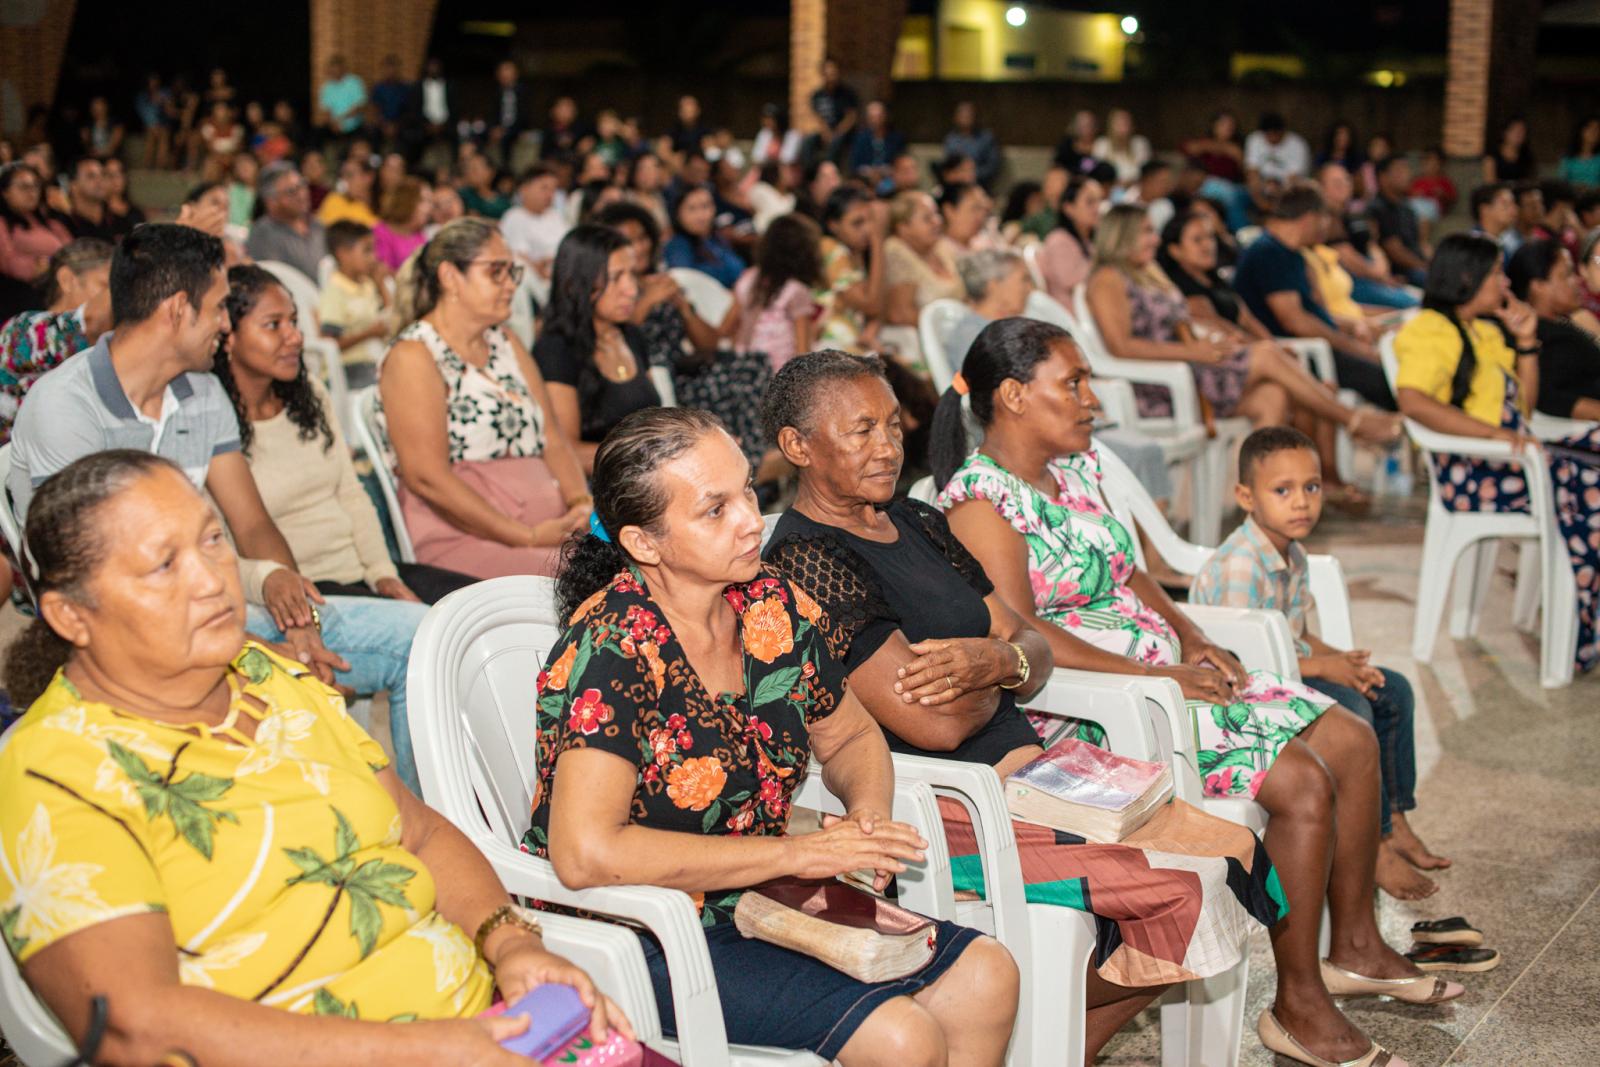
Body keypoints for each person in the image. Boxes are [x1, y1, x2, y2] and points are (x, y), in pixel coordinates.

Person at [926, 319, 1459, 1067]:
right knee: (1303, 781)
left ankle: (1358, 944)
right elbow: (1026, 633)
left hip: (1162, 676)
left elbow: (1133, 571)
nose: (1091, 398)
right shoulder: (979, 503)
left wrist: (1189, 635)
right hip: (1091, 710)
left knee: (1351, 736)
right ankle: (1299, 1002)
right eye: (1072, 382)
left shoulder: (1074, 469)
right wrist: (1158, 678)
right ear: (1013, 396)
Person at [0, 449, 626, 1060]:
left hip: (482, 1026)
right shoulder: (55, 770)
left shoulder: (270, 674)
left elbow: (421, 834)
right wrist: (428, 1049)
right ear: (70, 615)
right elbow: (136, 1028)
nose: (210, 578)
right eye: (163, 565)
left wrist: (511, 944)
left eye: (213, 540)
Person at [761, 351, 1283, 1064]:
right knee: (1181, 889)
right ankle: (1044, 1033)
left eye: (891, 424)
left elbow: (1025, 640)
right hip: (954, 811)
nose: (888, 445)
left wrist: (993, 661)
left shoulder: (916, 519)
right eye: (860, 431)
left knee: (1237, 852)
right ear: (798, 446)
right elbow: (930, 722)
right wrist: (1003, 662)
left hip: (1043, 775)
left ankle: (1052, 1038)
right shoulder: (807, 558)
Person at [526, 406, 1019, 1063]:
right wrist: (796, 855)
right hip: (644, 922)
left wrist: (864, 822)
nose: (752, 520)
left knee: (988, 975)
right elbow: (585, 852)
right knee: (903, 1036)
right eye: (714, 509)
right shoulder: (613, 648)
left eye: (748, 491)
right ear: (645, 543)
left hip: (762, 895)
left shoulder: (767, 605)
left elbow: (849, 738)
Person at [6, 225, 419, 737]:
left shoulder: (201, 394)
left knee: (423, 640)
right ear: (179, 309)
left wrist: (299, 623)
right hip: (122, 636)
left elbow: (251, 522)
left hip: (217, 610)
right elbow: (97, 580)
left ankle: (398, 815)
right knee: (294, 688)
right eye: (220, 307)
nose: (225, 324)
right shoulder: (65, 406)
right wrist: (255, 646)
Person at [1191, 427, 1448, 900]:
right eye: (1282, 491)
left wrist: (1338, 658)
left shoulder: (1292, 551)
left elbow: (1295, 633)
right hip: (1248, 695)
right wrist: (1328, 672)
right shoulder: (1241, 566)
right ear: (1245, 496)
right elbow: (1242, 663)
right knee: (1354, 709)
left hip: (1288, 672)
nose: (1302, 503)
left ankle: (1394, 821)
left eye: (1311, 488)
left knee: (1391, 690)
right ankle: (1372, 846)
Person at [1395, 233, 1600, 673]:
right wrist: (1491, 435)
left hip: (1507, 461)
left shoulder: (1484, 331)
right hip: (1476, 472)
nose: (1505, 284)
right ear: (1467, 278)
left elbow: (1522, 409)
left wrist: (1525, 343)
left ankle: (1581, 623)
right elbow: (1413, 401)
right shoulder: (1430, 329)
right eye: (1496, 275)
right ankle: (1580, 633)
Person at [215, 265, 473, 604]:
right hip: (306, 589)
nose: (294, 336)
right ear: (227, 335)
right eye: (273, 325)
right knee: (435, 632)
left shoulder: (308, 395)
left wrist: (383, 574)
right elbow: (226, 548)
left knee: (479, 601)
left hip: (361, 573)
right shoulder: (214, 426)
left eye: (293, 321)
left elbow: (351, 493)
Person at [377, 218, 590, 578]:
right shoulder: (415, 355)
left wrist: (581, 504)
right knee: (597, 578)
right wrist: (526, 535)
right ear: (450, 276)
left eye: (512, 273)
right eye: (496, 272)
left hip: (547, 531)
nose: (510, 285)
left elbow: (551, 437)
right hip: (464, 536)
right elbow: (427, 478)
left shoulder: (504, 341)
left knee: (643, 558)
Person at [1157, 208, 1399, 445]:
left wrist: (1275, 348)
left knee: (1313, 386)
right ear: (1175, 250)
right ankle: (1353, 421)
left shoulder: (1216, 282)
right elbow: (1224, 332)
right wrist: (1269, 349)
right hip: (1220, 367)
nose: (1207, 245)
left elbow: (1250, 323)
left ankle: (1327, 474)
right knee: (1289, 376)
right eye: (1197, 240)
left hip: (1243, 361)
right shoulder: (1185, 293)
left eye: (1210, 237)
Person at [1233, 186, 1394, 410]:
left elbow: (1314, 313)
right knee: (1393, 381)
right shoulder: (1268, 253)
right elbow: (1296, 322)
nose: (1328, 227)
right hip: (1303, 353)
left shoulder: (1292, 254)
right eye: (1326, 218)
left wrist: (1354, 326)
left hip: (1323, 345)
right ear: (1311, 218)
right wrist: (1354, 348)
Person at [534, 225, 661, 472]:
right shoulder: (556, 350)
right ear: (578, 283)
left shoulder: (631, 335)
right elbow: (566, 450)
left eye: (632, 274)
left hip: (647, 473)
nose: (632, 290)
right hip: (602, 484)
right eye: (616, 278)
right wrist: (654, 456)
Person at [0, 238, 113, 442]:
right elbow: (91, 321)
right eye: (106, 286)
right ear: (67, 279)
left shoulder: (109, 342)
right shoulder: (22, 330)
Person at [1509, 239, 1600, 418]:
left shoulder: (1564, 323)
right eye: (1566, 275)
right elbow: (1548, 397)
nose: (1577, 280)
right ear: (1539, 286)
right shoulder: (1540, 335)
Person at [1316, 163, 1417, 310]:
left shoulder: (1356, 215)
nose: (1343, 186)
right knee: (1410, 304)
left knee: (1413, 297)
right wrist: (1379, 276)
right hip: (1350, 279)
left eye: (1346, 180)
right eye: (1336, 183)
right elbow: (1346, 257)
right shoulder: (1325, 220)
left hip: (1374, 274)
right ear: (1322, 188)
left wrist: (1383, 274)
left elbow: (1372, 245)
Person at [731, 213, 821, 372]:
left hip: (744, 372)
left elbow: (730, 327)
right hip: (779, 378)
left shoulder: (748, 280)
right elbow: (802, 354)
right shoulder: (796, 291)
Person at [317, 221, 392, 389]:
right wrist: (368, 334)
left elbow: (390, 317)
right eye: (367, 251)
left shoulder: (367, 284)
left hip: (371, 361)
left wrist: (381, 285)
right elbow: (330, 343)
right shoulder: (335, 290)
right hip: (347, 367)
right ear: (343, 253)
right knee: (389, 384)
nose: (374, 257)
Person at [815, 184, 885, 352]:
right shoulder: (830, 249)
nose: (867, 230)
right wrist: (877, 244)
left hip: (855, 337)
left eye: (870, 221)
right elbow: (871, 304)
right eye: (857, 223)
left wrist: (870, 332)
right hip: (829, 342)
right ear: (833, 225)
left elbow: (879, 307)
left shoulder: (856, 253)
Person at [883, 190, 961, 326]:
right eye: (927, 218)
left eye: (936, 214)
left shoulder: (941, 246)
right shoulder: (896, 251)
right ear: (903, 227)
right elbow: (900, 314)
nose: (937, 221)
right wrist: (949, 325)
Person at [246, 162, 328, 280]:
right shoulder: (262, 234)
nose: (301, 194)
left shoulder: (318, 225)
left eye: (302, 185)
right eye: (291, 192)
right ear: (271, 202)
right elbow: (276, 280)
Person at [1035, 173, 1103, 304]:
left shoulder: (1088, 241)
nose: (1097, 208)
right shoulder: (1058, 241)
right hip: (1069, 315)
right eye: (1090, 202)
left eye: (1099, 201)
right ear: (1069, 208)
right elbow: (1073, 283)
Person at [662, 184, 745, 288]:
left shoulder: (716, 238)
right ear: (678, 214)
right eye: (692, 209)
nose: (701, 216)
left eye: (705, 206)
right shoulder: (677, 248)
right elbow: (687, 285)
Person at [0, 163, 71, 284]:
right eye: (23, 187)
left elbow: (74, 252)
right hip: (22, 290)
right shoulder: (3, 224)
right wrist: (37, 265)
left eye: (35, 186)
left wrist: (50, 263)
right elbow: (9, 263)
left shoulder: (51, 223)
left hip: (62, 282)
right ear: (5, 192)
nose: (31, 192)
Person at [1367, 155, 1430, 286]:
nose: (1406, 175)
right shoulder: (1378, 208)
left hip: (1418, 265)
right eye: (1400, 171)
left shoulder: (1407, 208)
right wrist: (1425, 266)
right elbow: (1395, 251)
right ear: (1383, 177)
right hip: (1400, 272)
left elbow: (1421, 243)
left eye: (1407, 170)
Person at [500, 165, 569, 281]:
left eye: (553, 190)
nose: (550, 195)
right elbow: (519, 258)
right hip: (534, 280)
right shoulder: (514, 217)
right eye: (544, 188)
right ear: (524, 189)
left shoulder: (555, 215)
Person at [1244, 112, 1312, 212]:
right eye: (1269, 135)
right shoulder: (1255, 139)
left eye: (1275, 134)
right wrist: (1263, 203)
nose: (1272, 138)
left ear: (1283, 131)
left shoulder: (1298, 145)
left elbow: (1294, 181)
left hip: (1288, 192)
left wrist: (1278, 195)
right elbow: (1252, 174)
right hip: (1262, 191)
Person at [62, 157, 132, 244]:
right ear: (73, 185)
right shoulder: (64, 225)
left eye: (102, 175)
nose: (100, 180)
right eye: (91, 176)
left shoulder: (121, 223)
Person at [372, 175, 430, 271]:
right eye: (423, 201)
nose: (429, 208)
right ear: (406, 201)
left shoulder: (420, 235)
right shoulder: (380, 233)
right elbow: (382, 274)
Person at [809, 57, 860, 163]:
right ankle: (810, 173)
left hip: (844, 132)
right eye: (828, 73)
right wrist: (825, 132)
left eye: (833, 73)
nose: (830, 76)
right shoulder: (817, 95)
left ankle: (829, 167)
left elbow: (851, 117)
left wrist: (837, 132)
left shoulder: (847, 94)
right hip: (825, 131)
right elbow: (818, 117)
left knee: (836, 142)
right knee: (808, 141)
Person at [847, 101, 906, 189]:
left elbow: (900, 163)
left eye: (878, 116)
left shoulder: (896, 138)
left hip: (890, 179)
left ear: (885, 116)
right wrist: (870, 172)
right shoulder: (860, 138)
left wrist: (885, 171)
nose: (875, 120)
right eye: (871, 117)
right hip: (865, 180)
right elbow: (855, 165)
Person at [942, 101, 999, 189]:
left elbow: (992, 167)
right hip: (955, 186)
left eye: (968, 115)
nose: (965, 118)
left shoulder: (986, 138)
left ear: (975, 117)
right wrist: (956, 175)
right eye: (962, 115)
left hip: (979, 184)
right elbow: (948, 163)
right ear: (956, 117)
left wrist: (972, 175)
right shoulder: (951, 139)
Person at [1091, 108, 1150, 188]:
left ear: (1132, 125)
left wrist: (1128, 183)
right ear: (1111, 125)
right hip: (1108, 188)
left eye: (1126, 123)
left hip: (1136, 188)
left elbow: (1145, 171)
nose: (1123, 127)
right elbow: (1097, 170)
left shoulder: (1140, 143)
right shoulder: (1102, 143)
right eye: (1118, 123)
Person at [486, 60, 531, 163]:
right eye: (502, 71)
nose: (504, 74)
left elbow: (524, 116)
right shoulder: (496, 93)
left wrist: (505, 130)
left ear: (515, 73)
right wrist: (493, 128)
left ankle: (506, 169)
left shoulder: (523, 91)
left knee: (506, 139)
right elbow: (493, 114)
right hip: (499, 127)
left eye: (507, 70)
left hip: (516, 127)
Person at [316, 54, 367, 144]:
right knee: (317, 133)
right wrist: (333, 124)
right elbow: (326, 110)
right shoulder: (326, 87)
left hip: (354, 126)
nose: (334, 71)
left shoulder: (354, 82)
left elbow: (359, 107)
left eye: (336, 68)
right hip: (334, 126)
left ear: (343, 68)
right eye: (332, 68)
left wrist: (341, 120)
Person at [318, 153, 378, 227]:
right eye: (342, 176)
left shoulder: (381, 203)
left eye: (349, 175)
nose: (344, 181)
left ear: (368, 178)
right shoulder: (334, 200)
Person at [1469, 181, 1521, 260]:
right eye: (1505, 204)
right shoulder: (1474, 248)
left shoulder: (1508, 242)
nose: (1514, 210)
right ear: (1484, 210)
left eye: (1514, 204)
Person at [135, 73, 174, 169]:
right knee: (151, 135)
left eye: (155, 81)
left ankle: (160, 167)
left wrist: (164, 103)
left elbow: (170, 111)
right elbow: (143, 114)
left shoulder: (165, 93)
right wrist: (152, 126)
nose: (153, 83)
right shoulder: (142, 96)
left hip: (164, 124)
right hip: (149, 126)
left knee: (163, 135)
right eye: (151, 81)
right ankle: (147, 165)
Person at [1482, 116, 1536, 183]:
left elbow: (1529, 181)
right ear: (1505, 132)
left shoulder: (1526, 156)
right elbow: (1490, 182)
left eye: (1522, 131)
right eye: (1514, 131)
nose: (1518, 135)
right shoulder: (1492, 156)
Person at [458, 154, 511, 221]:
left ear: (491, 172)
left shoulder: (504, 204)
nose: (470, 173)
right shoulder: (462, 195)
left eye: (475, 169)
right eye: (468, 169)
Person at [102, 157, 146, 232]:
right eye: (109, 174)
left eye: (119, 173)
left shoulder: (135, 213)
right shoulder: (98, 212)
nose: (115, 179)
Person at [1052, 109, 1101, 176]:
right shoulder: (1066, 144)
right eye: (1081, 124)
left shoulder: (1101, 144)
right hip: (1067, 179)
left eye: (1088, 124)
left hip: (1091, 180)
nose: (1085, 128)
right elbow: (1057, 164)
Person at [1561, 116, 1600, 188]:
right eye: (1590, 128)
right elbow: (1562, 182)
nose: (1594, 132)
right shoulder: (1569, 158)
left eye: (1597, 129)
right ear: (1581, 131)